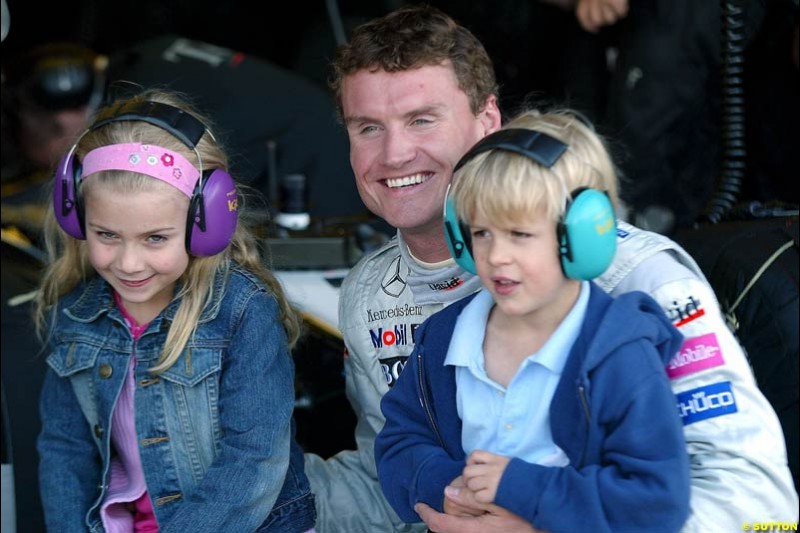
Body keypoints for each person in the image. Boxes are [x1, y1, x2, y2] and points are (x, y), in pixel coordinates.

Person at [305, 5, 798, 533]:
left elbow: (756, 502)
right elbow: (387, 482)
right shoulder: (369, 293)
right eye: (368, 128)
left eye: (423, 119)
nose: (396, 153)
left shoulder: (634, 275)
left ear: (488, 122)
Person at [376, 109, 691, 532]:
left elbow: (655, 501)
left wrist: (520, 487)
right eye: (482, 233)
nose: (496, 255)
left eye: (520, 234)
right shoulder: (445, 337)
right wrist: (449, 489)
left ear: (582, 236)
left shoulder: (617, 350)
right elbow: (400, 442)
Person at [34, 89, 316, 532]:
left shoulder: (242, 312)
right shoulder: (75, 315)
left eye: (154, 238)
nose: (128, 263)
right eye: (106, 234)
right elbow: (64, 452)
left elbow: (255, 459)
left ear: (207, 224)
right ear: (75, 217)